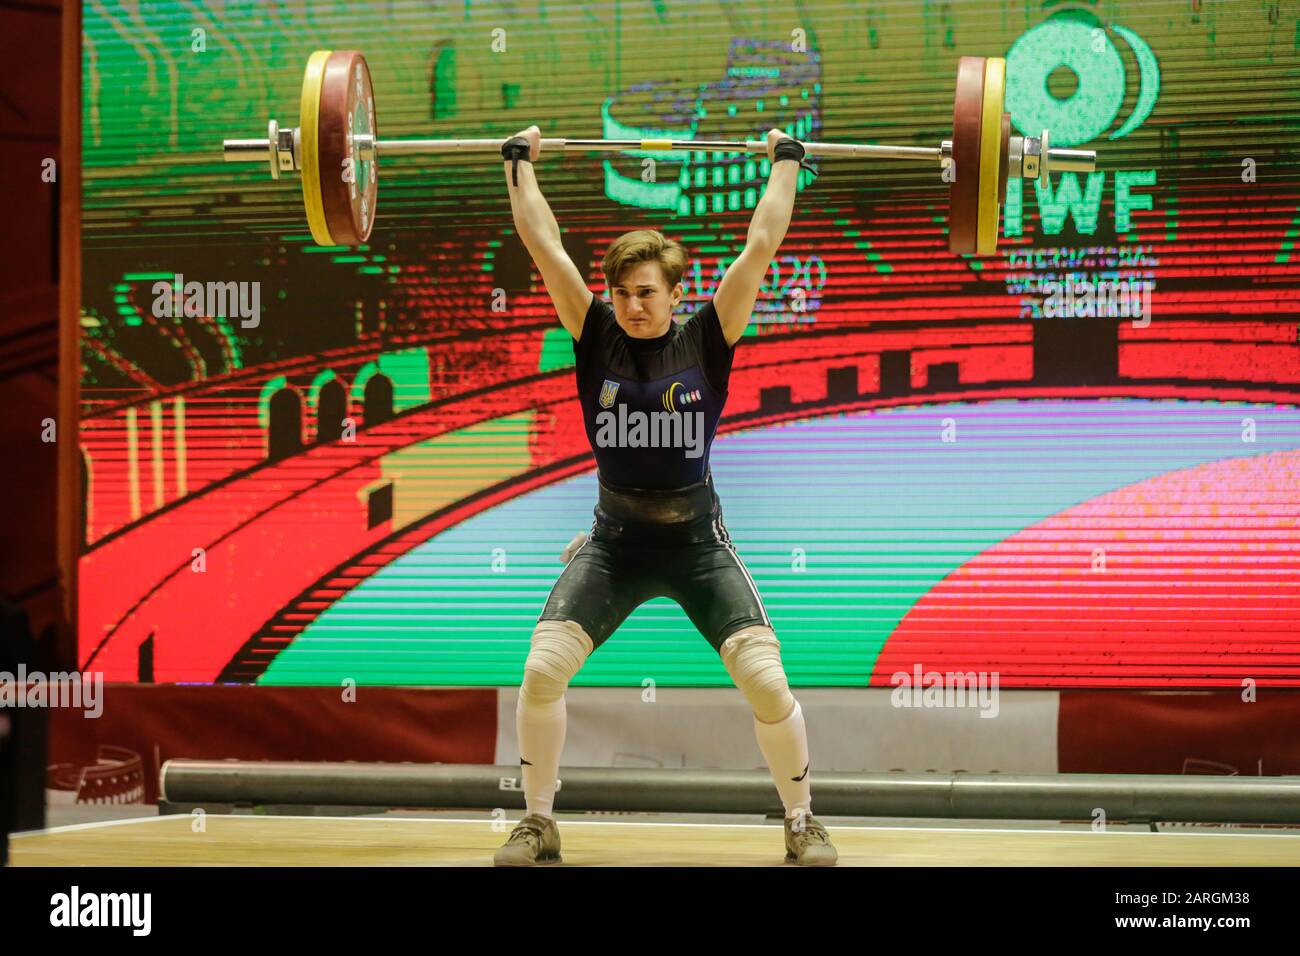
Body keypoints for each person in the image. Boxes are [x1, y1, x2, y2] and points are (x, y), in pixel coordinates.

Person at [494, 125, 835, 866]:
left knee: (765, 679)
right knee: (542, 670)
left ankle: (802, 820)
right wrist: (520, 164)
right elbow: (543, 245)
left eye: (644, 293)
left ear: (676, 292)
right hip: (615, 542)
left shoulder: (708, 339)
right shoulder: (595, 336)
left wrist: (786, 162)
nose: (630, 305)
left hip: (695, 545)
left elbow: (761, 245)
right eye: (620, 293)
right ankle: (539, 823)